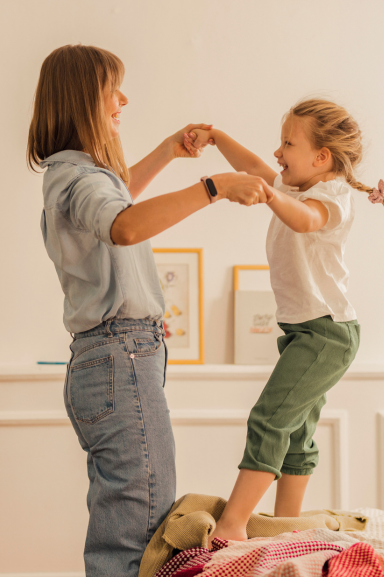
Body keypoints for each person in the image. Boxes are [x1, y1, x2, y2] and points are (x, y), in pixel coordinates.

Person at [27, 44, 270, 577]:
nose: (123, 100)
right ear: (84, 101)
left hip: (105, 358)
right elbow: (125, 225)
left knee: (125, 519)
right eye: (113, 90)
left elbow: (118, 204)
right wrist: (214, 187)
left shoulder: (70, 178)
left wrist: (165, 152)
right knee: (137, 534)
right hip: (122, 355)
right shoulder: (84, 181)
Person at [184, 98, 377, 543]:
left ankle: (233, 524)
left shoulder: (331, 198)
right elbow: (252, 164)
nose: (277, 153)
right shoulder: (295, 185)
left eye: (287, 143)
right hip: (306, 330)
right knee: (295, 429)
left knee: (269, 419)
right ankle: (283, 523)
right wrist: (217, 138)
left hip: (327, 332)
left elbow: (307, 222)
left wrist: (270, 194)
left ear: (321, 157)